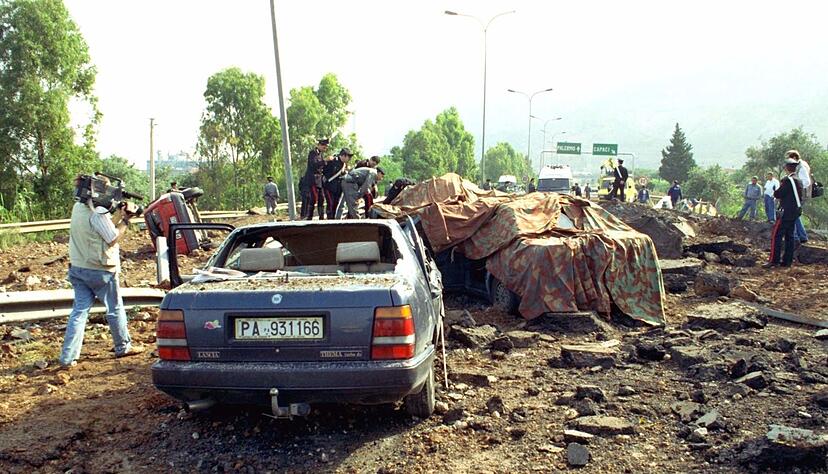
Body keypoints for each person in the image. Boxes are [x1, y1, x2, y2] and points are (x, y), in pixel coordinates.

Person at [59, 176, 144, 368]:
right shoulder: (97, 213)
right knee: (115, 308)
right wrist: (126, 220)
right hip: (100, 269)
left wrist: (117, 215)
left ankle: (68, 357)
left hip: (78, 267)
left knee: (79, 312)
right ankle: (123, 346)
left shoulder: (78, 208)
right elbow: (112, 237)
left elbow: (100, 228)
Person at [765, 158, 803, 268]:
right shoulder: (798, 180)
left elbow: (778, 194)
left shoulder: (788, 180)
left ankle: (774, 260)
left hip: (785, 212)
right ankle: (787, 261)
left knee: (776, 235)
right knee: (789, 236)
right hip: (794, 212)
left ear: (786, 168)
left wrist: (775, 191)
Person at [302, 138, 328, 220]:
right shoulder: (313, 153)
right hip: (313, 180)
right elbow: (313, 165)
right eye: (323, 145)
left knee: (321, 198)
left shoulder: (320, 154)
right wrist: (325, 161)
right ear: (319, 145)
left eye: (326, 146)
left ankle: (321, 217)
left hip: (319, 181)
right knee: (313, 198)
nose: (325, 147)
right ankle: (309, 217)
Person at [788, 150, 811, 243]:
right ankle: (800, 236)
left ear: (794, 158)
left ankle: (798, 236)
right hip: (800, 193)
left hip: (800, 193)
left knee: (794, 213)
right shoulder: (801, 165)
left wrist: (797, 187)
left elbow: (806, 181)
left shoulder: (801, 167)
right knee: (795, 214)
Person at [323, 148, 352, 219]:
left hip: (338, 188)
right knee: (330, 204)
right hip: (329, 186)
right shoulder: (333, 161)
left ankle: (333, 220)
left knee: (335, 204)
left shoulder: (344, 165)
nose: (349, 159)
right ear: (344, 155)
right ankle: (329, 220)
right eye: (349, 157)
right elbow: (325, 171)